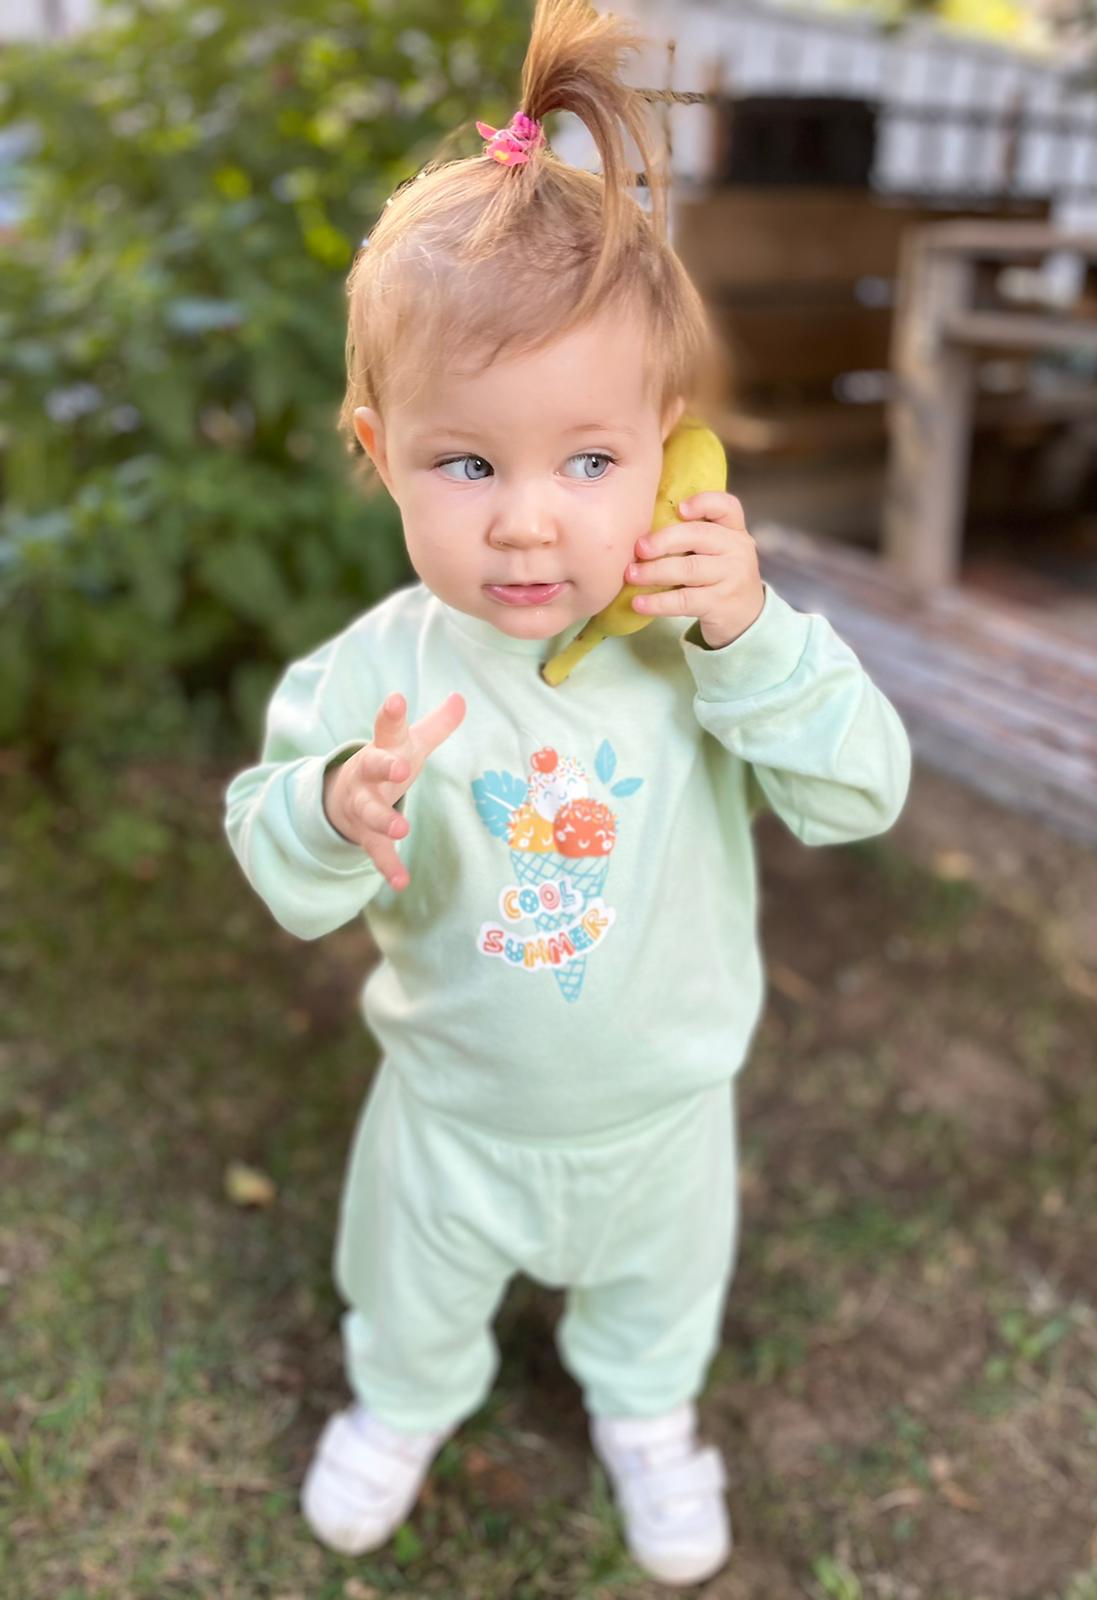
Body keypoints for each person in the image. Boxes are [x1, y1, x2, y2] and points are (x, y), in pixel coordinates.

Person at [223, 0, 912, 1584]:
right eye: (469, 466)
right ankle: (404, 1401)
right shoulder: (371, 674)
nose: (531, 527)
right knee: (409, 1286)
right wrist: (331, 809)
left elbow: (861, 795)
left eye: (588, 463)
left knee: (658, 1302)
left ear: (669, 454)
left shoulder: (705, 649)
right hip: (453, 1111)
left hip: (662, 1113)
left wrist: (749, 634)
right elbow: (275, 856)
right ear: (380, 452)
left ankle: (651, 1418)